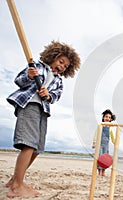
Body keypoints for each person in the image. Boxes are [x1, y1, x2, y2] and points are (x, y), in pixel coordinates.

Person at [6, 41, 80, 198]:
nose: (61, 67)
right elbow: (19, 81)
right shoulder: (37, 67)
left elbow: (56, 96)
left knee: (37, 148)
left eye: (65, 66)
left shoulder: (59, 80)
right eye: (61, 61)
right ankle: (17, 185)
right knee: (28, 144)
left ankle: (15, 179)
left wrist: (48, 95)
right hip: (29, 104)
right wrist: (29, 76)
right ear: (53, 56)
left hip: (43, 110)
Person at [92, 109, 116, 176]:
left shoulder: (110, 127)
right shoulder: (100, 125)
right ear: (103, 117)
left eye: (109, 117)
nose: (107, 118)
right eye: (106, 117)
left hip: (106, 145)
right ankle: (99, 171)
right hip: (99, 144)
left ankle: (103, 171)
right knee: (100, 158)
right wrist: (94, 142)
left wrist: (114, 142)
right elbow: (96, 134)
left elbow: (112, 135)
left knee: (105, 159)